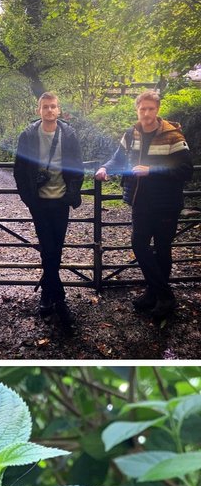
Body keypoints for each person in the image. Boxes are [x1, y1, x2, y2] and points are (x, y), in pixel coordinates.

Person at [95, 90, 194, 318]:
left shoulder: (173, 136)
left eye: (151, 109)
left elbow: (185, 170)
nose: (146, 113)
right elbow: (118, 158)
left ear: (157, 110)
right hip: (140, 201)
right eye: (142, 109)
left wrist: (151, 171)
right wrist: (105, 168)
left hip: (166, 202)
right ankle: (160, 294)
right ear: (137, 110)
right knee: (139, 245)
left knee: (162, 249)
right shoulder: (131, 134)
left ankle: (159, 296)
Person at [13, 92, 84, 332]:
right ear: (39, 110)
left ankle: (47, 293)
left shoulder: (69, 134)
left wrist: (72, 193)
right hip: (40, 202)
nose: (50, 110)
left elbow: (77, 167)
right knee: (49, 247)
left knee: (55, 249)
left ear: (59, 110)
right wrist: (28, 198)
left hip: (61, 200)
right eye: (46, 107)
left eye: (53, 107)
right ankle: (59, 299)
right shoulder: (28, 135)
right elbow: (20, 170)